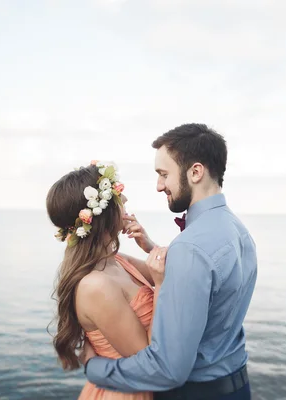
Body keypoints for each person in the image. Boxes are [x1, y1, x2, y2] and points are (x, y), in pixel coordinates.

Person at [81, 123, 258, 399]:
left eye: (164, 174)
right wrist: (152, 248)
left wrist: (95, 369)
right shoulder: (237, 230)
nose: (159, 185)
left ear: (196, 172)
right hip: (236, 386)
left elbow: (168, 370)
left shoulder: (190, 248)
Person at [46, 160, 166, 399]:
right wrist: (160, 286)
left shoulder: (117, 260)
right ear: (101, 213)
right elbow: (147, 359)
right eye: (118, 197)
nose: (126, 201)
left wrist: (149, 247)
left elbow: (171, 273)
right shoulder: (95, 285)